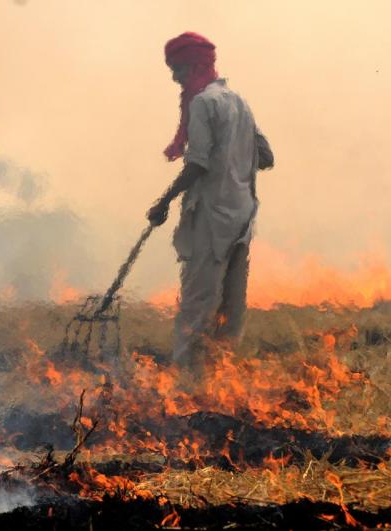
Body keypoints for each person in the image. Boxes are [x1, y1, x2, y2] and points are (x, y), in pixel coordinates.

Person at [146, 31, 274, 380]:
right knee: (231, 310)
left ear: (196, 66)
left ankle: (187, 385)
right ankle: (219, 384)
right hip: (242, 220)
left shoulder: (203, 103)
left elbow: (198, 162)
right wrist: (236, 158)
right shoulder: (238, 101)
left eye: (179, 70)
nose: (175, 78)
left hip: (212, 219)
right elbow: (266, 156)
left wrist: (163, 202)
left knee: (197, 306)